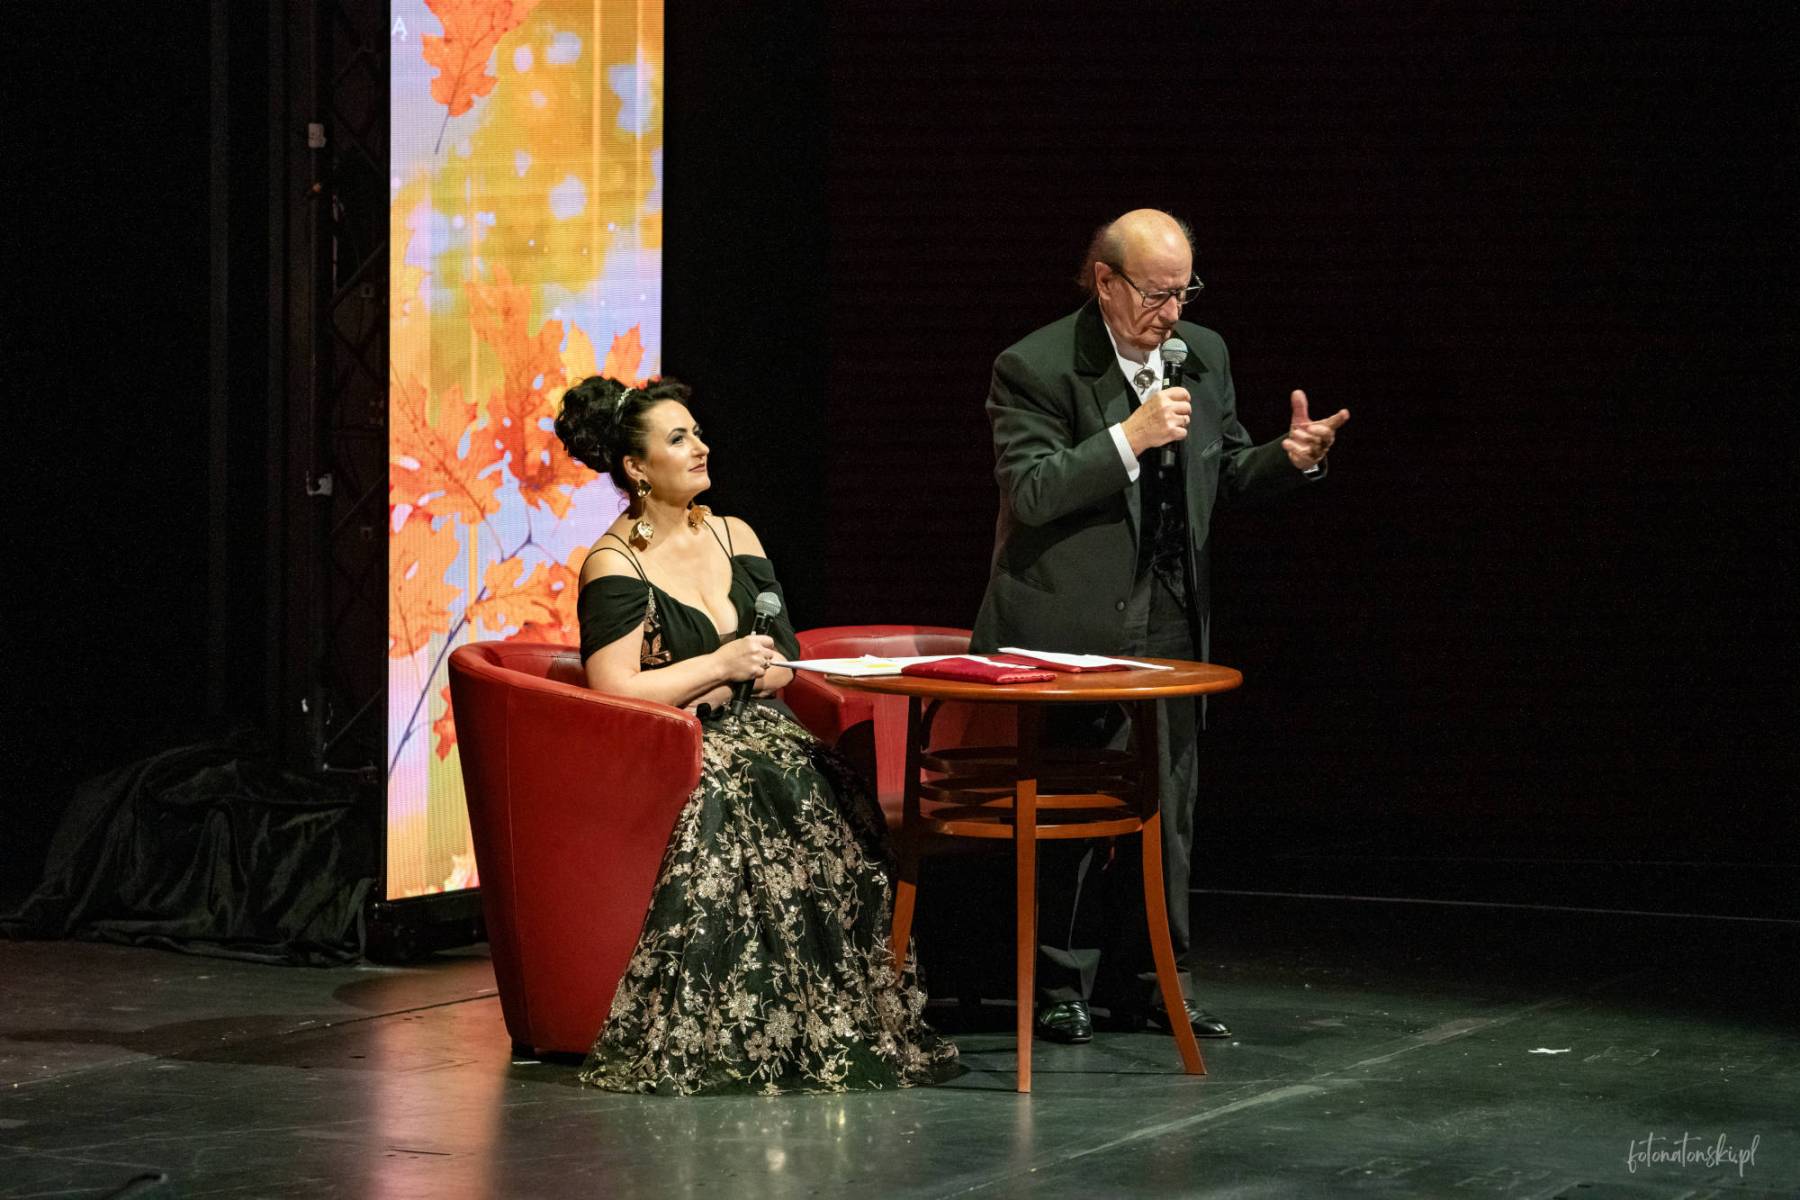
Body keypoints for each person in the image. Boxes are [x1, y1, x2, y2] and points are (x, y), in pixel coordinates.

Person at [970, 209, 1348, 1045]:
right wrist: (1127, 438)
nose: (1172, 313)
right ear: (1105, 281)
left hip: (1172, 611)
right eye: (1155, 294)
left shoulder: (1202, 353)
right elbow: (1031, 491)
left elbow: (1224, 470)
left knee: (1168, 809)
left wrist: (1287, 460)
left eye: (1185, 292)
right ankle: (1060, 985)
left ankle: (1154, 983)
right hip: (1067, 619)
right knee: (1072, 802)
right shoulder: (1035, 365)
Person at [554, 374, 959, 1095]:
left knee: (829, 788)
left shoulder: (734, 534)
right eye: (679, 438)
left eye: (697, 432)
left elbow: (783, 658)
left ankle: (827, 1020)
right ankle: (746, 1029)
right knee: (746, 790)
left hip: (765, 723)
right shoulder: (616, 563)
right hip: (679, 742)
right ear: (637, 467)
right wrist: (718, 666)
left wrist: (737, 672)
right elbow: (614, 690)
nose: (701, 447)